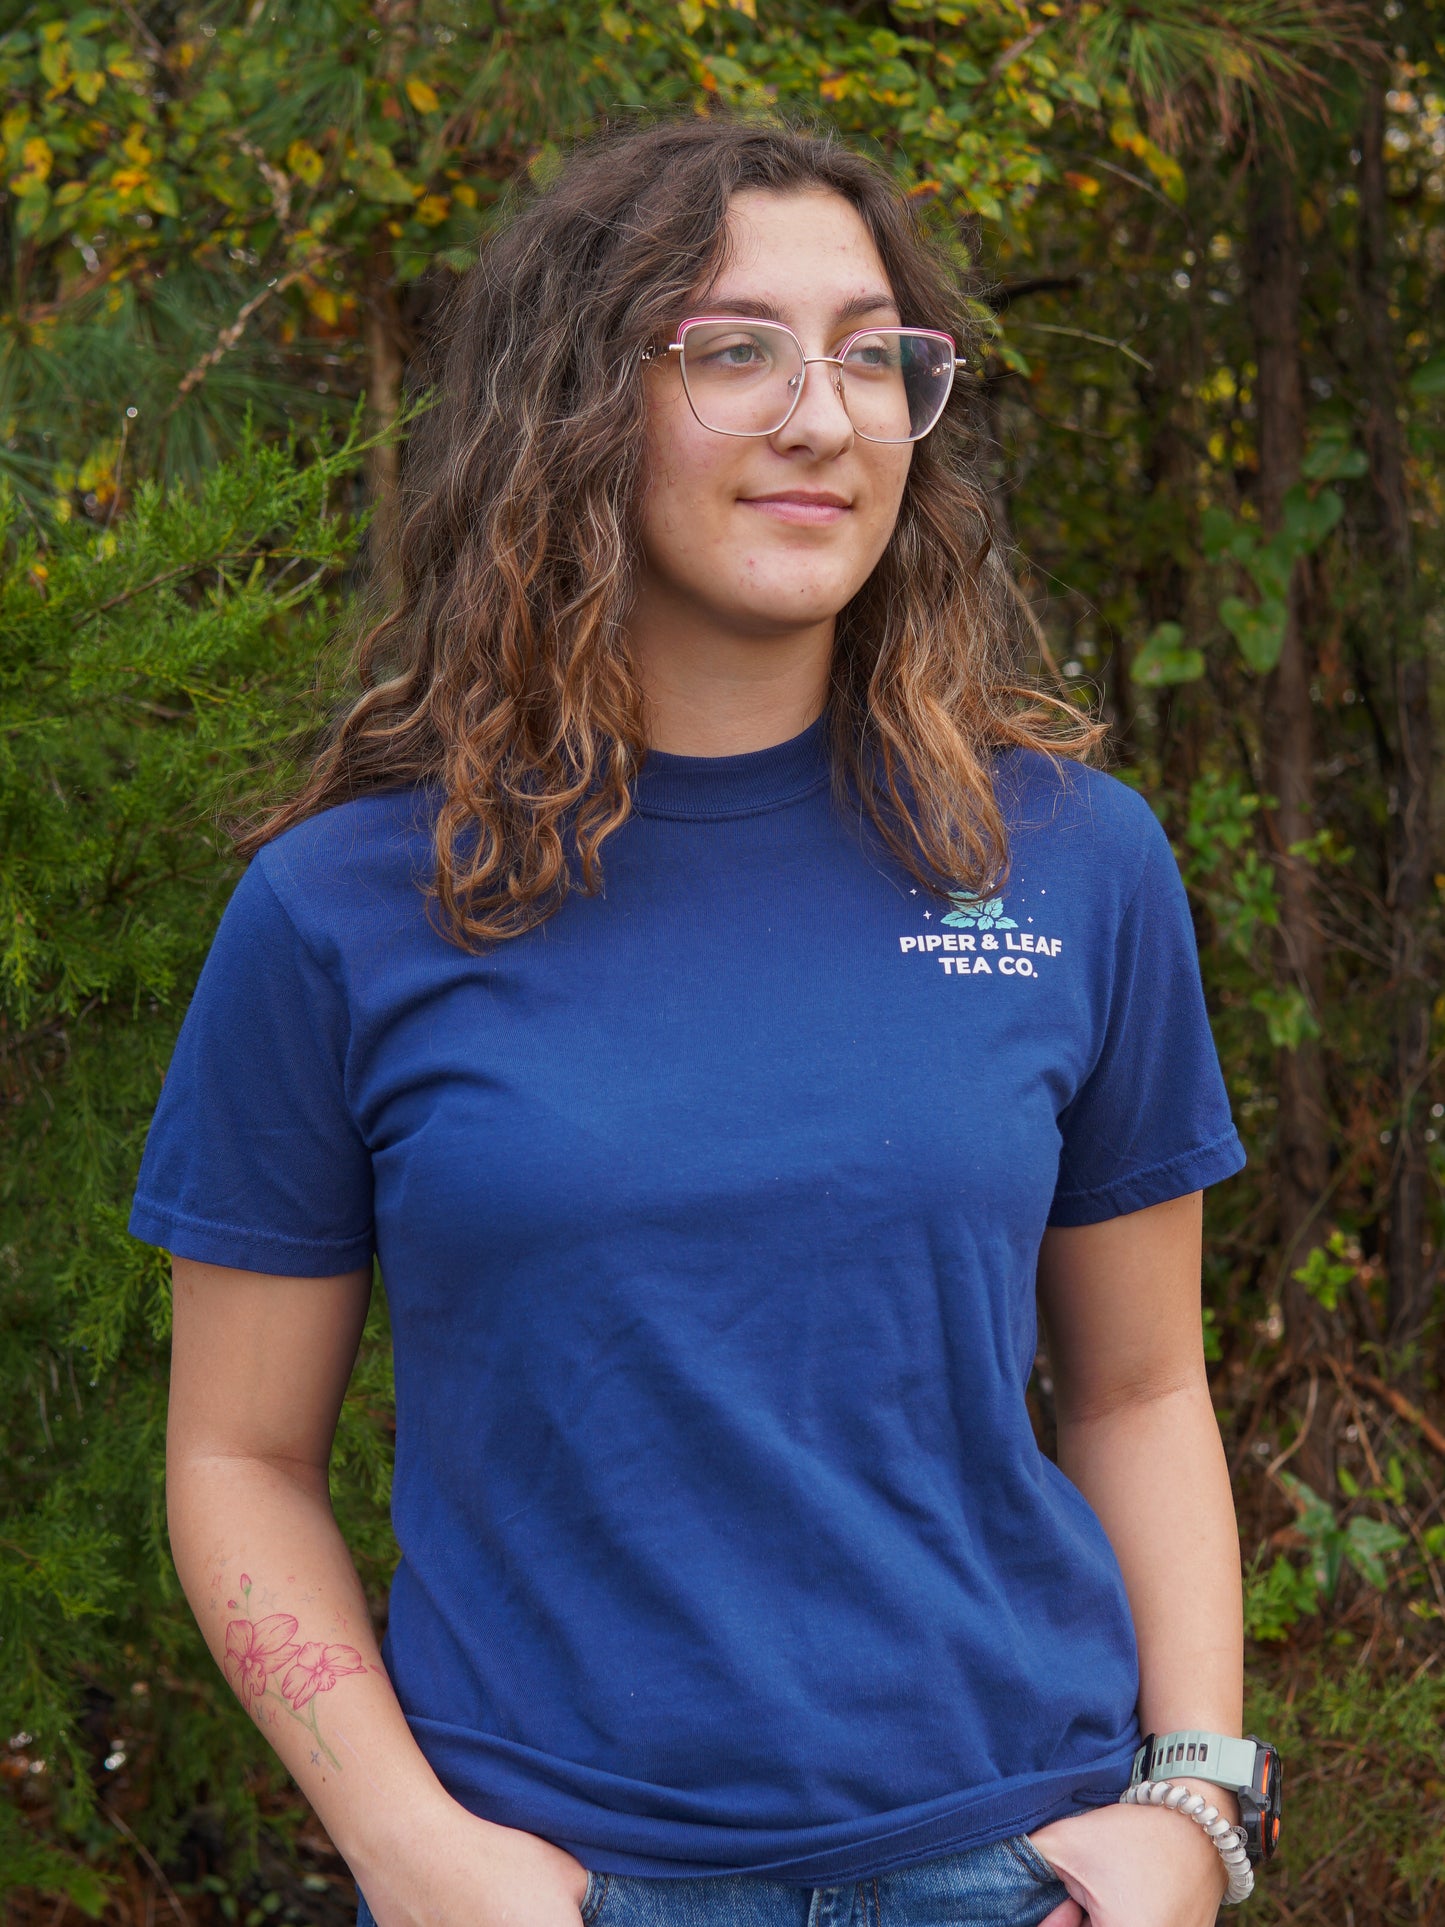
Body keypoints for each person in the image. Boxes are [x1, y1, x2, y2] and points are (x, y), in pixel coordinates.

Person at [132, 115, 1266, 1927]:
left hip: (1014, 1870)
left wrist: (1194, 1809)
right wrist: (410, 1850)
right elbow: (237, 1458)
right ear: (571, 409)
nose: (822, 416)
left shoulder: (1066, 861)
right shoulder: (346, 906)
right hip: (543, 1886)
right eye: (732, 348)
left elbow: (1139, 1391)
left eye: (871, 352)